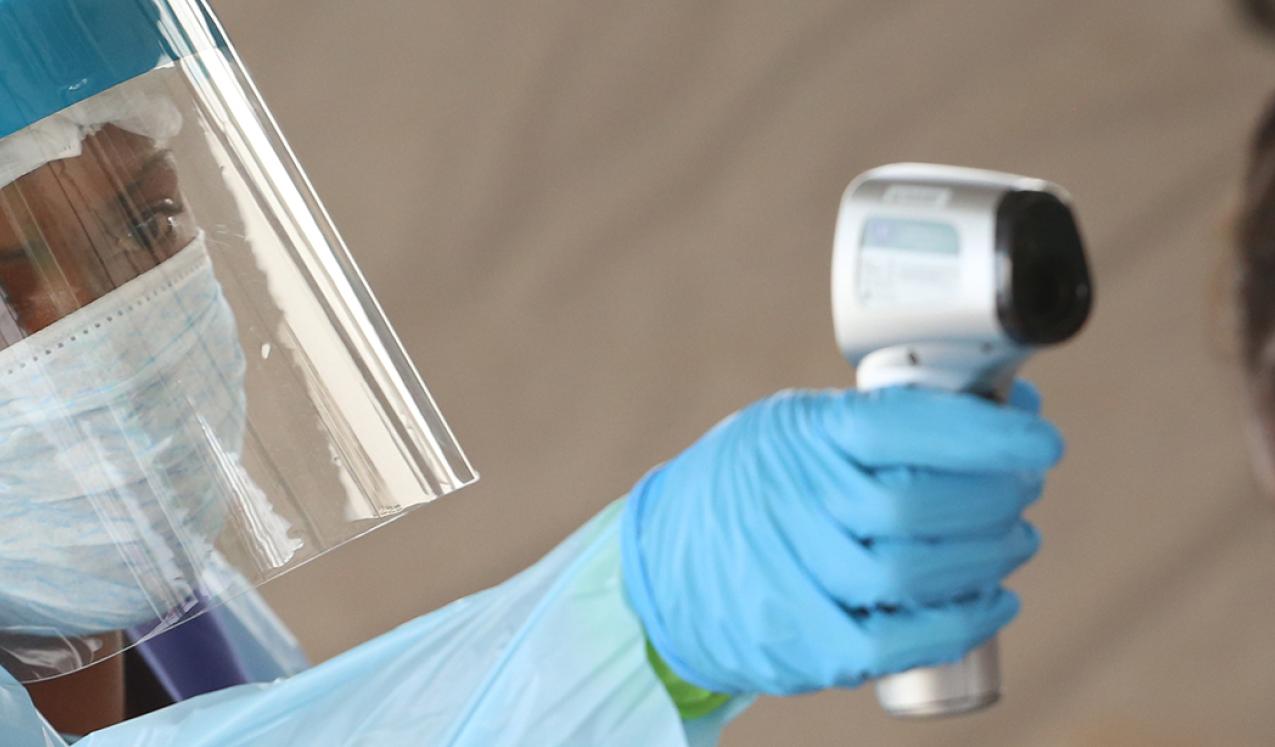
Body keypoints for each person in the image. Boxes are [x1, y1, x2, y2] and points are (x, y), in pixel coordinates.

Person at [0, 2, 1060, 745]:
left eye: (145, 222)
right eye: (2, 296)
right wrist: (633, 621)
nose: (101, 325)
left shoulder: (184, 637)